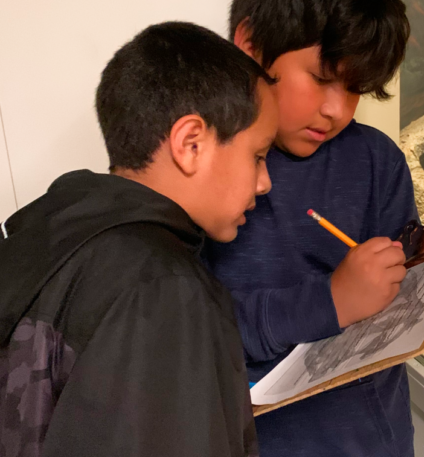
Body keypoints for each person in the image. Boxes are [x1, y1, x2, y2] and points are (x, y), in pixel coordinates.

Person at [202, 1, 424, 456]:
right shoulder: (200, 167)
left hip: (374, 441)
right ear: (250, 45)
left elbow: (398, 311)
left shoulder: (376, 161)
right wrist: (330, 301)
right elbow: (189, 337)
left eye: (356, 88)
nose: (337, 110)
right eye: (323, 78)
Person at [0, 21, 277, 457]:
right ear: (190, 144)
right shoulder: (164, 290)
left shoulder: (48, 235)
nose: (265, 183)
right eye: (258, 156)